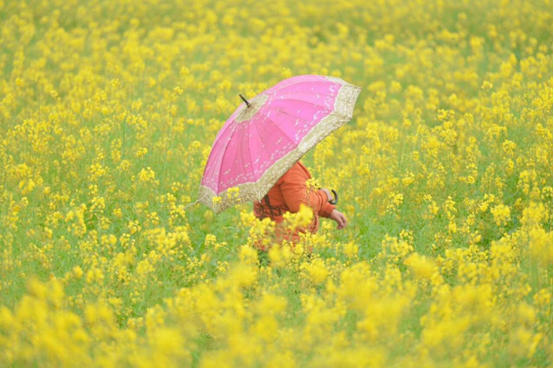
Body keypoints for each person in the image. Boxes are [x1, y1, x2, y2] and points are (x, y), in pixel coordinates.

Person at [253, 160, 348, 258]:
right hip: (290, 246)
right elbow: (301, 204)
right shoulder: (288, 167)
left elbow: (291, 196)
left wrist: (328, 210)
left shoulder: (262, 165)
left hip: (263, 241)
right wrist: (324, 195)